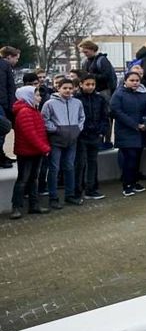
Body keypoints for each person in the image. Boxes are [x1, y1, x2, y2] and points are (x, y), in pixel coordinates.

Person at [41, 78, 85, 208]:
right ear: (58, 88)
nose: (68, 91)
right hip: (56, 140)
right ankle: (53, 197)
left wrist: (78, 128)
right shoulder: (50, 103)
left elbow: (81, 117)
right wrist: (55, 129)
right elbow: (44, 119)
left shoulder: (77, 103)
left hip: (72, 140)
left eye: (70, 88)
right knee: (54, 168)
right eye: (65, 88)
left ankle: (69, 195)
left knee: (69, 167)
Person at [10, 86, 50, 218]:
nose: (39, 97)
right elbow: (30, 134)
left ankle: (34, 205)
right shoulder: (25, 112)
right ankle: (16, 207)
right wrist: (44, 148)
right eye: (36, 95)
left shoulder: (33, 110)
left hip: (35, 151)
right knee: (23, 180)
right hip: (26, 152)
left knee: (33, 179)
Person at [110, 72, 146, 197]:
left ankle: (134, 181)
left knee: (137, 157)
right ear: (125, 81)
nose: (135, 83)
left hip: (141, 132)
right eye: (132, 80)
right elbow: (117, 112)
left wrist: (145, 122)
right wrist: (134, 124)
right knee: (129, 158)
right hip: (126, 131)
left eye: (137, 80)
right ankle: (127, 184)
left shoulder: (143, 94)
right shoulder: (118, 94)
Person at [74, 74, 108, 200]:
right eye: (87, 84)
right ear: (81, 84)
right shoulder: (76, 99)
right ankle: (77, 190)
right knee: (80, 163)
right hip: (81, 136)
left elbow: (104, 116)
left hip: (95, 135)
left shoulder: (99, 99)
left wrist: (102, 131)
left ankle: (91, 188)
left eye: (93, 84)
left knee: (93, 162)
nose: (91, 87)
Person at [0, 46, 21, 168]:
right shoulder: (5, 66)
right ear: (9, 57)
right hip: (2, 104)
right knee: (2, 130)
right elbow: (8, 87)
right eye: (16, 58)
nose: (17, 61)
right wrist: (9, 106)